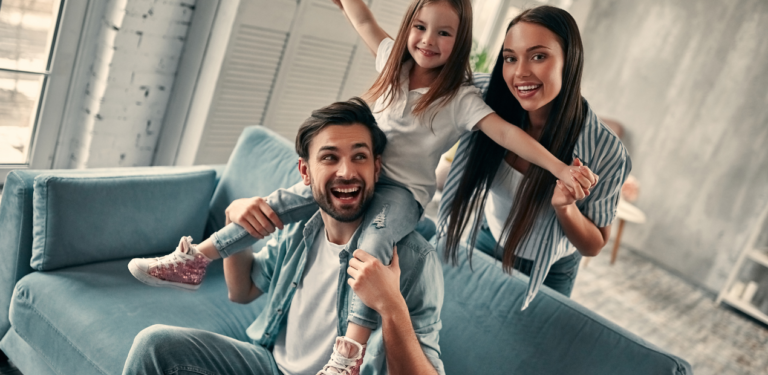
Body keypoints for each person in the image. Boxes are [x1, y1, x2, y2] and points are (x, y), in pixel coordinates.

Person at [128, 0, 593, 364]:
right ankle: (195, 260)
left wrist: (560, 168)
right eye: (421, 27)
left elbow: (509, 133)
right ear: (410, 26)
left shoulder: (460, 100)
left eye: (445, 33)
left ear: (461, 41)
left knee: (369, 251)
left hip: (400, 195)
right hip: (364, 178)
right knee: (277, 202)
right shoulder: (394, 66)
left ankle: (348, 352)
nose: (428, 40)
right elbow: (365, 21)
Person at [122, 98, 445, 375]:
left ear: (377, 168)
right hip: (270, 365)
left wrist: (391, 307)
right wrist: (233, 218)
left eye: (359, 157)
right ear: (305, 172)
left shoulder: (415, 260)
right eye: (330, 157)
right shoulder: (301, 229)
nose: (346, 172)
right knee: (154, 345)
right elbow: (242, 290)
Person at [438, 5, 631, 308]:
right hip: (489, 238)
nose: (520, 72)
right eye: (510, 58)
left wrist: (565, 208)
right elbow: (415, 68)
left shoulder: (605, 149)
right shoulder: (485, 97)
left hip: (550, 268)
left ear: (570, 61)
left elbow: (594, 244)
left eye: (538, 56)